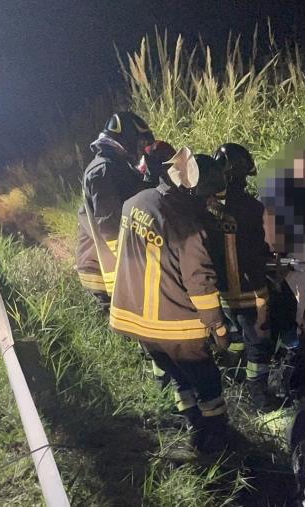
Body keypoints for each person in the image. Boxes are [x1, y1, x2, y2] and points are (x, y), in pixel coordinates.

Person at [110, 145, 231, 453]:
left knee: (179, 377)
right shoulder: (188, 224)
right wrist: (218, 328)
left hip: (136, 322)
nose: (210, 204)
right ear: (193, 193)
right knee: (207, 382)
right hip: (175, 325)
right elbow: (200, 282)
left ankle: (193, 426)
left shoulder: (134, 203)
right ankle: (216, 441)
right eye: (208, 197)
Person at [208, 143, 278, 411]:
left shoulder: (208, 206)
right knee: (258, 344)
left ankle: (232, 378)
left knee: (234, 338)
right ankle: (259, 399)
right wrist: (263, 296)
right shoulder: (251, 207)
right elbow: (253, 254)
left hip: (218, 292)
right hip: (248, 291)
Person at [76, 112, 154, 308]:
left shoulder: (116, 167)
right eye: (141, 144)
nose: (142, 151)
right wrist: (132, 265)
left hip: (110, 266)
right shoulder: (103, 170)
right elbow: (110, 226)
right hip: (105, 271)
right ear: (128, 139)